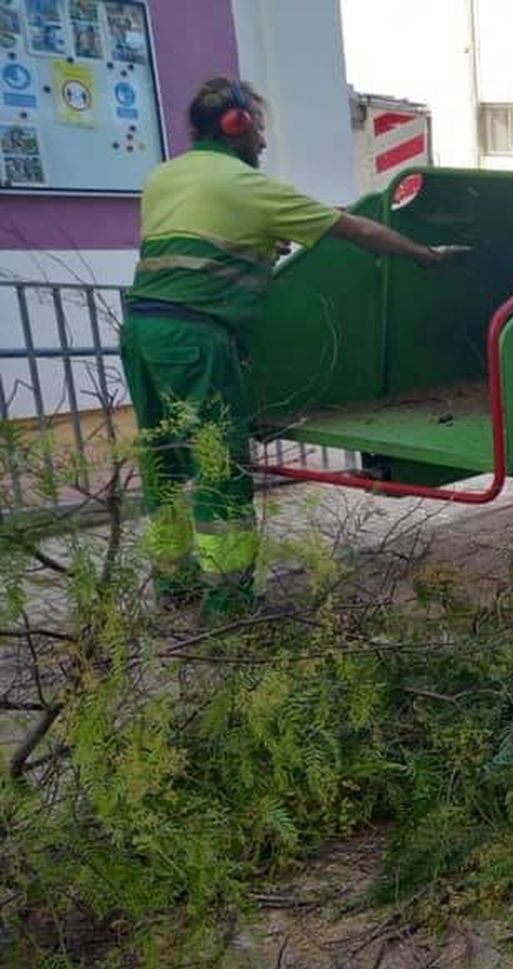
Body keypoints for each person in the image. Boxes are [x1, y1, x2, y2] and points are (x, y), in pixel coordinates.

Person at [120, 78, 454, 622]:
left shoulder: (163, 177)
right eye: (259, 131)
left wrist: (256, 247)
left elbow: (195, 249)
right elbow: (359, 231)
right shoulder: (250, 187)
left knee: (165, 458)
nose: (263, 144)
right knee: (218, 466)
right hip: (195, 340)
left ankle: (174, 583)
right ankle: (228, 603)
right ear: (236, 126)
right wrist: (427, 256)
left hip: (140, 331)